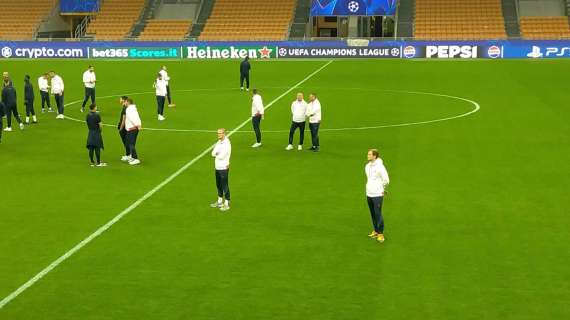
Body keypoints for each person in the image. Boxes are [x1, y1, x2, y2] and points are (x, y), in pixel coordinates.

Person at [365, 149, 390, 243]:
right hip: (369, 193)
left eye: (369, 154)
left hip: (377, 194)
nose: (367, 156)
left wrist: (382, 189)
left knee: (378, 213)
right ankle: (375, 231)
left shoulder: (380, 167)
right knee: (372, 213)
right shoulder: (367, 166)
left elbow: (386, 180)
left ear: (374, 156)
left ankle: (380, 234)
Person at [210, 128, 231, 212]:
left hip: (223, 168)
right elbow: (212, 153)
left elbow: (222, 156)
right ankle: (219, 201)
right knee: (218, 184)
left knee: (225, 185)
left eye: (220, 133)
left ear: (224, 134)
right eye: (218, 133)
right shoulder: (219, 142)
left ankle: (227, 203)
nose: (218, 135)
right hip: (217, 167)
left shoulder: (227, 144)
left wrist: (217, 154)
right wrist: (216, 153)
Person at [124, 98, 142, 165]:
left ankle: (136, 158)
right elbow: (137, 117)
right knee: (129, 143)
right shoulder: (132, 108)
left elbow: (133, 118)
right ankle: (132, 157)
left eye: (125, 102)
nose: (124, 103)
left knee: (131, 143)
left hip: (133, 128)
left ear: (128, 102)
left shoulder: (129, 109)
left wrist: (137, 125)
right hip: (131, 128)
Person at [117, 96, 130, 162]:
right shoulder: (125, 107)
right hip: (125, 126)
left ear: (124, 100)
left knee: (126, 141)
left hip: (124, 127)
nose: (120, 100)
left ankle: (128, 155)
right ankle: (128, 154)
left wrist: (121, 128)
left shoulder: (125, 108)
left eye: (121, 99)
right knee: (126, 141)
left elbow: (123, 120)